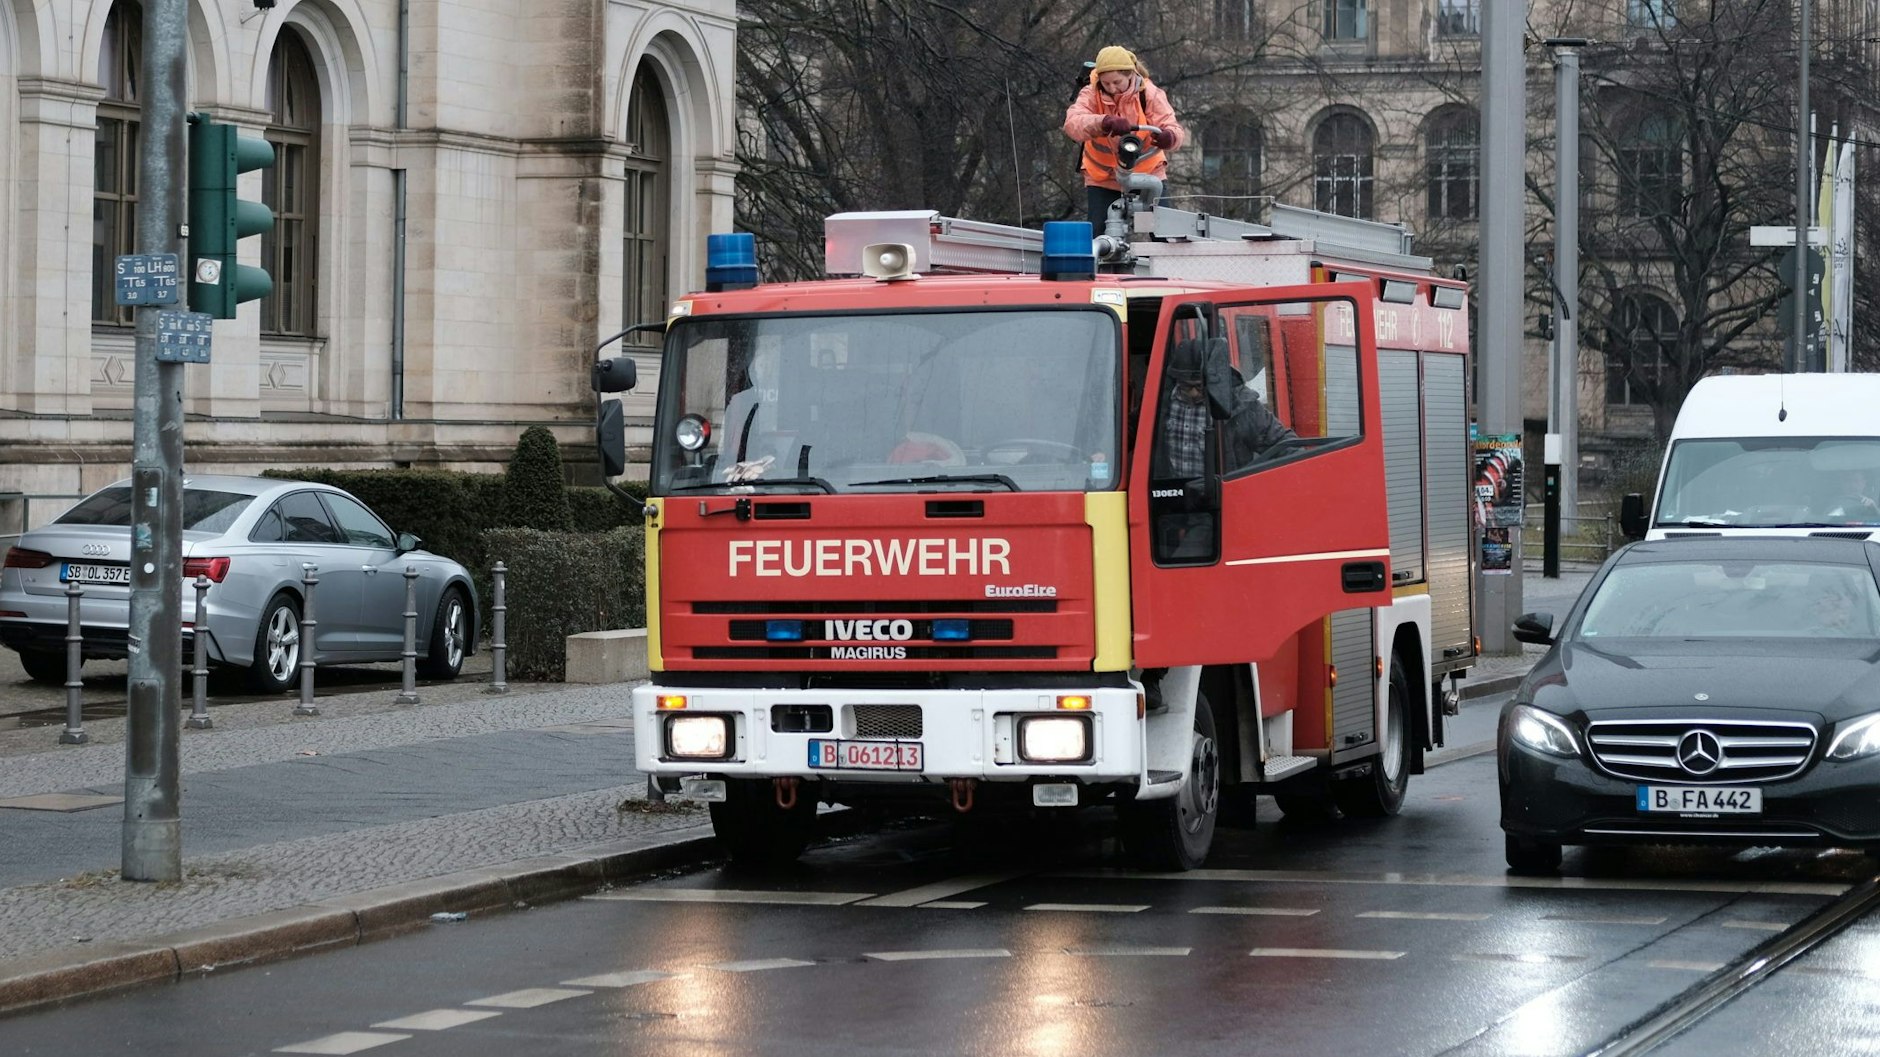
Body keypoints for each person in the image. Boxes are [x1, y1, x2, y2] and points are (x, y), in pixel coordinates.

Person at [1063, 46, 1186, 232]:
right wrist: (1104, 122)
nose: (1112, 88)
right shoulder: (1091, 93)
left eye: (1117, 82)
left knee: (1162, 233)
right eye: (1106, 83)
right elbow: (1072, 124)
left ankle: (1159, 259)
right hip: (1103, 178)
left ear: (1130, 75)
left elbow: (1172, 127)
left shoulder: (1149, 94)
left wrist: (1169, 137)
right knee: (1099, 234)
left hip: (1148, 175)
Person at [1151, 337, 1294, 481]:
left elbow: (1282, 443)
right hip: (1171, 496)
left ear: (1213, 380)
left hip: (1222, 497)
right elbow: (1133, 430)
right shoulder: (1160, 402)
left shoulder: (1240, 406)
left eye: (1199, 386)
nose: (1193, 393)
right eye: (1186, 386)